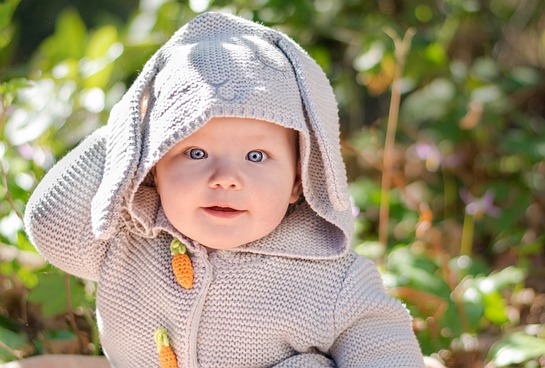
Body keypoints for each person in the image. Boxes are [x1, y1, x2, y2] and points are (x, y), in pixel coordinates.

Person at [24, 11, 425, 367]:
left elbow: (387, 354)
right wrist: (131, 130)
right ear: (153, 166)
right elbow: (50, 224)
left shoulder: (331, 278)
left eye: (256, 156)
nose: (225, 177)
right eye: (195, 152)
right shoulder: (130, 234)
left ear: (298, 182)